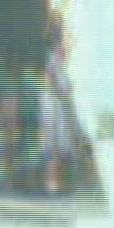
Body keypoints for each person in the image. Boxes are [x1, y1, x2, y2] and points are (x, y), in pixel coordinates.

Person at [39, 23, 81, 195]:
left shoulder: (68, 60)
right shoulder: (52, 59)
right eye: (68, 38)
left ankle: (62, 182)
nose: (71, 41)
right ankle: (52, 183)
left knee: (66, 144)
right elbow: (49, 82)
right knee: (54, 144)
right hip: (54, 104)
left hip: (64, 103)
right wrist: (62, 91)